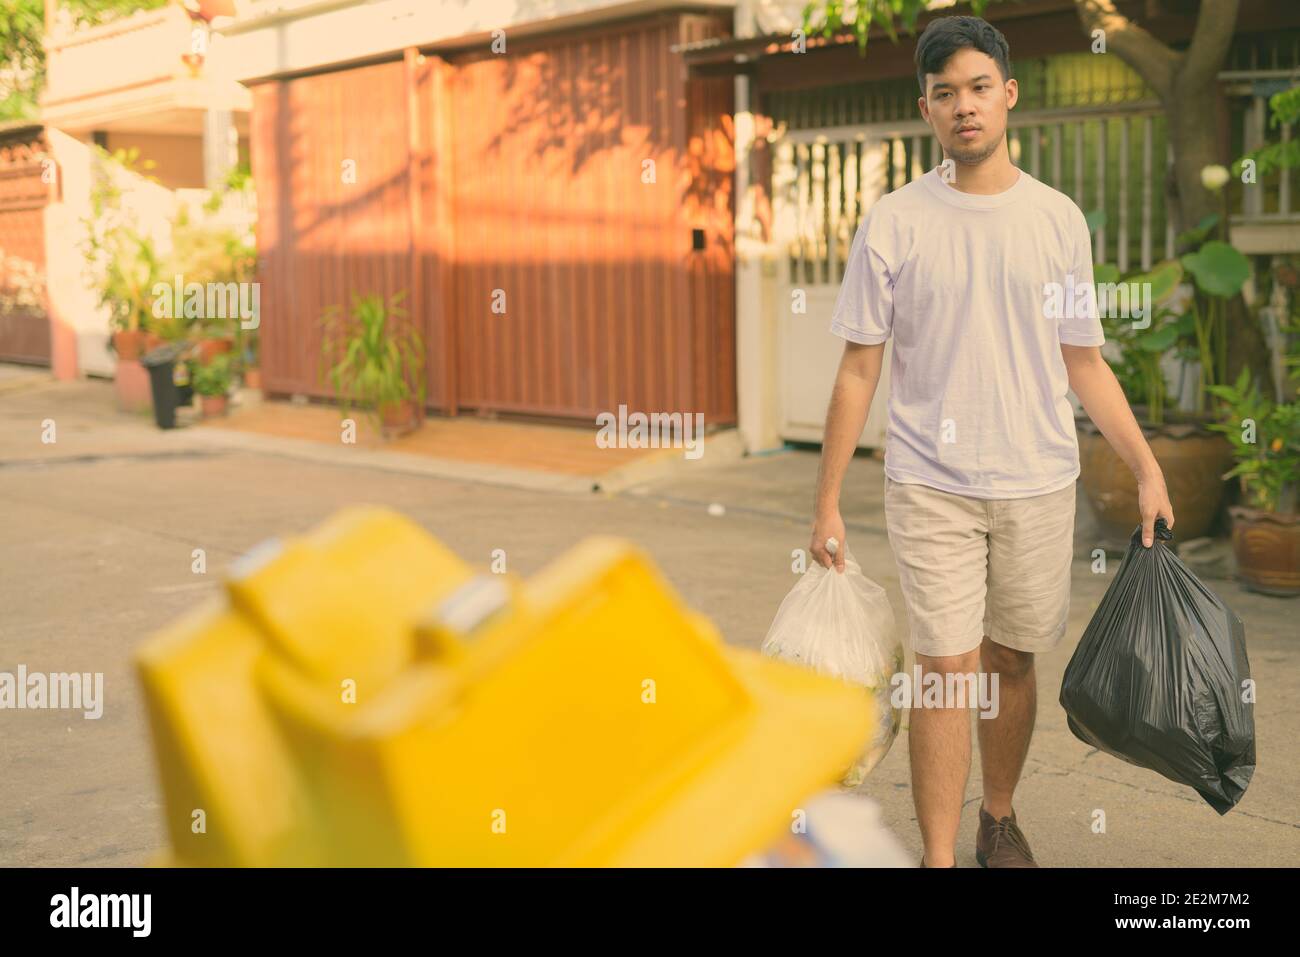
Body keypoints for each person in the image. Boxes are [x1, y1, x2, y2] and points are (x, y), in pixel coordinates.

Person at [808, 15, 1175, 868]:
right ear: (926, 110)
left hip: (1037, 480)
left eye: (978, 88)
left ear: (1007, 94)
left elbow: (1083, 361)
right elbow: (859, 368)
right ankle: (938, 855)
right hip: (930, 482)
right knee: (945, 665)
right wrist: (825, 502)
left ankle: (997, 820)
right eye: (945, 94)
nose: (963, 106)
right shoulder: (895, 221)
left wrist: (1147, 468)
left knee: (1010, 658)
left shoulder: (1056, 220)